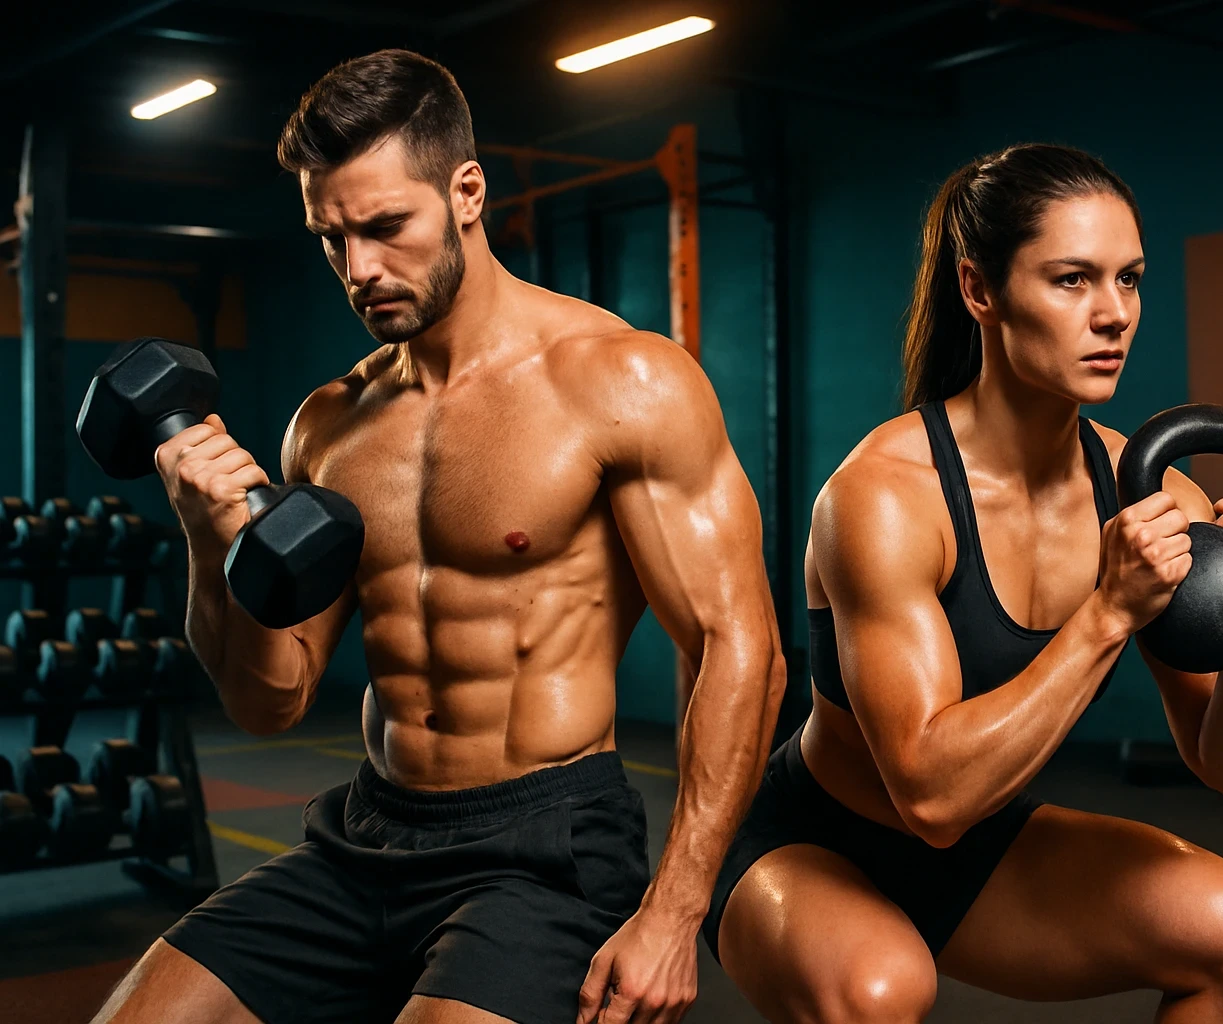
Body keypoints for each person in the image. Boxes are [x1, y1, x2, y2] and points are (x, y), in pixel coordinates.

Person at [93, 49, 785, 1024]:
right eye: (331, 239)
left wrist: (674, 910)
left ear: (466, 192)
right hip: (366, 835)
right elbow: (271, 700)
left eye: (385, 227)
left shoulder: (620, 382)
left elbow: (739, 646)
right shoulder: (328, 426)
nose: (360, 270)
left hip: (543, 849)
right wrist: (211, 540)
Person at [704, 144, 1223, 1023]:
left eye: (1129, 279)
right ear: (979, 290)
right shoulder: (884, 497)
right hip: (812, 843)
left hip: (980, 847)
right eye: (1072, 280)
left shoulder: (1147, 490)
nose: (1113, 314)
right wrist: (1108, 611)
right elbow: (931, 797)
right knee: (880, 990)